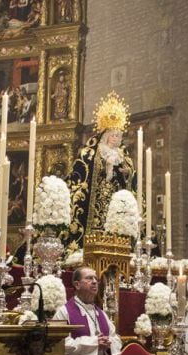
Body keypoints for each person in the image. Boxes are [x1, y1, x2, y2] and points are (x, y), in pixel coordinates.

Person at [66, 92, 136, 254]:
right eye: (112, 135)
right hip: (94, 201)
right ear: (105, 135)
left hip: (115, 205)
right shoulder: (89, 154)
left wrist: (127, 173)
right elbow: (80, 176)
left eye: (118, 136)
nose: (115, 138)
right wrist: (104, 168)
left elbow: (131, 182)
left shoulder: (123, 158)